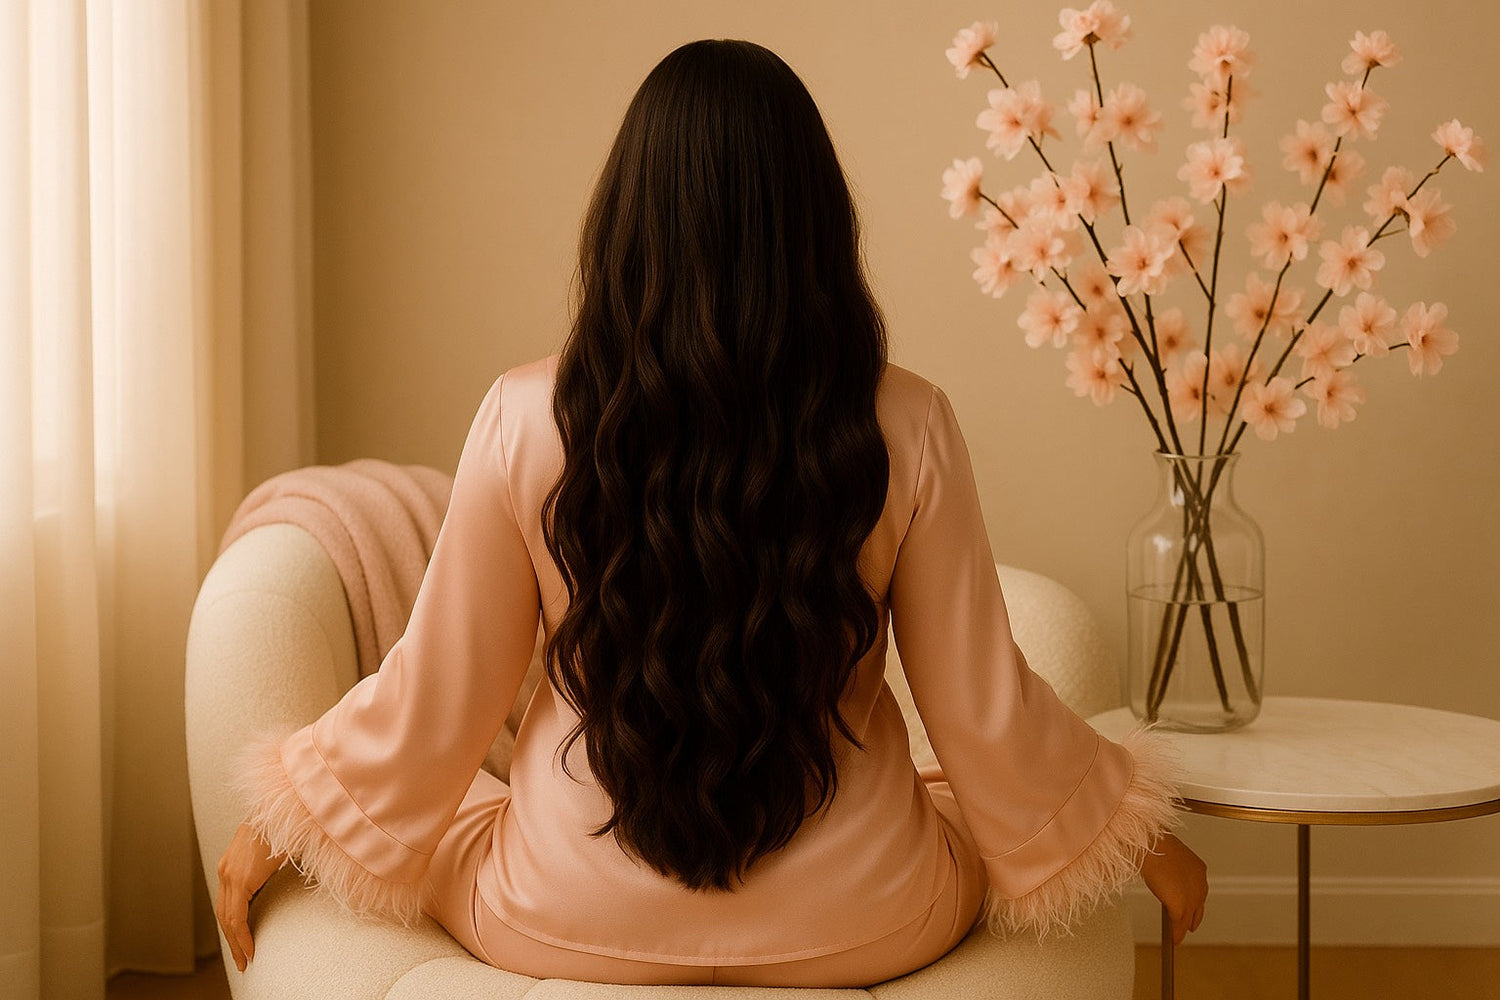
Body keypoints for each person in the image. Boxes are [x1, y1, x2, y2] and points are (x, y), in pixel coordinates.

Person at [215, 38, 1207, 988]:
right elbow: (984, 712)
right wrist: (1139, 836)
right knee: (954, 805)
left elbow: (438, 698)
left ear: (626, 221)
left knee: (459, 804)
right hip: (864, 921)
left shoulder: (523, 415)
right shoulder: (910, 420)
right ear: (816, 225)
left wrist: (280, 822)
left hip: (561, 915)